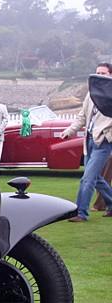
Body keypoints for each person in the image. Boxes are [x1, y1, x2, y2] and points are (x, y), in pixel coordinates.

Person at [60, 62, 112, 222]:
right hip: (89, 140)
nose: (99, 76)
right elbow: (82, 116)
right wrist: (69, 131)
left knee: (88, 178)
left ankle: (81, 213)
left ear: (110, 75)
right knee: (96, 178)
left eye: (103, 73)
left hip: (103, 141)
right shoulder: (91, 94)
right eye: (97, 73)